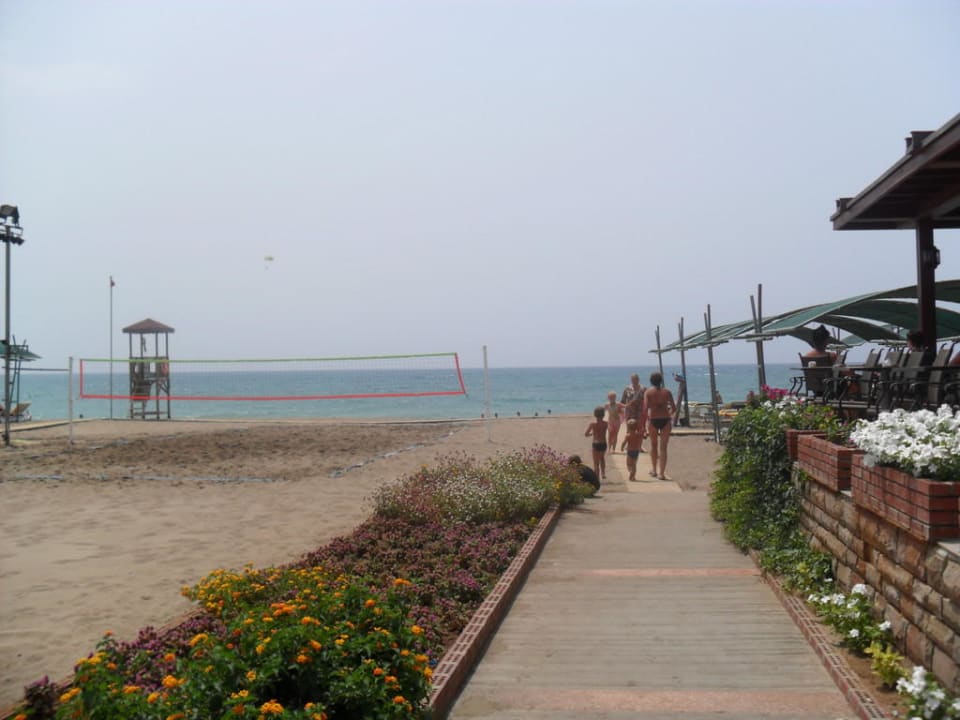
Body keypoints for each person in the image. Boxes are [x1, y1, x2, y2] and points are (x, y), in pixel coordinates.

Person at [644, 372, 677, 481]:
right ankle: (661, 473)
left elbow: (645, 409)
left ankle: (654, 470)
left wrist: (644, 423)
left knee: (653, 445)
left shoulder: (648, 392)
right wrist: (669, 415)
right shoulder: (667, 392)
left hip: (653, 419)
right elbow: (674, 408)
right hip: (665, 420)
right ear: (661, 381)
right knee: (663, 448)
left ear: (651, 381)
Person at [583, 406, 608, 480]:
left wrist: (592, 434)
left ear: (595, 414)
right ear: (603, 415)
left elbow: (586, 434)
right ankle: (603, 473)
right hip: (603, 443)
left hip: (596, 443)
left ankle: (597, 477)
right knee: (602, 458)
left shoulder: (593, 424)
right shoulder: (606, 424)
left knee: (596, 462)